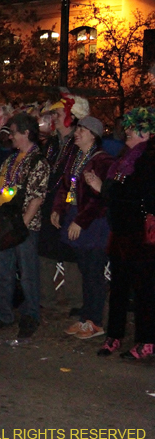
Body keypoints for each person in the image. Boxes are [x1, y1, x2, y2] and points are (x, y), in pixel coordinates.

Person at [86, 107, 155, 359]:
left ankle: (147, 341)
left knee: (144, 290)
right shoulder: (125, 158)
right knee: (118, 288)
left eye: (132, 127)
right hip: (121, 232)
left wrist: (104, 188)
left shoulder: (148, 159)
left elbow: (137, 194)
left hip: (140, 234)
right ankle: (113, 337)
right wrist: (106, 189)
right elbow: (117, 192)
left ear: (145, 133)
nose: (126, 131)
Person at [0, 112, 50, 338]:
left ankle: (31, 315)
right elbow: (7, 189)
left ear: (26, 133)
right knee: (2, 271)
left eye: (14, 132)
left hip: (22, 227)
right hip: (5, 225)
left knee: (28, 273)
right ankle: (3, 313)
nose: (10, 137)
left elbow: (37, 197)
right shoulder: (12, 160)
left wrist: (22, 226)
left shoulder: (38, 162)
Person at [51, 116, 113, 339]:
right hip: (77, 217)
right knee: (85, 270)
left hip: (93, 224)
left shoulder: (103, 161)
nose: (77, 133)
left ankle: (95, 321)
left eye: (83, 130)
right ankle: (86, 317)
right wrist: (58, 209)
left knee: (94, 272)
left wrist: (80, 221)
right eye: (78, 129)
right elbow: (65, 186)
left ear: (93, 135)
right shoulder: (76, 157)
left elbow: (101, 200)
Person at [39, 95, 88, 315]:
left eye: (58, 114)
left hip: (69, 204)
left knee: (70, 253)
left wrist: (68, 204)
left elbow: (76, 179)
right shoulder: (51, 144)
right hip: (50, 202)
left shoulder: (77, 145)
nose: (54, 119)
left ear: (71, 116)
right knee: (46, 250)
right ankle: (46, 298)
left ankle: (75, 301)